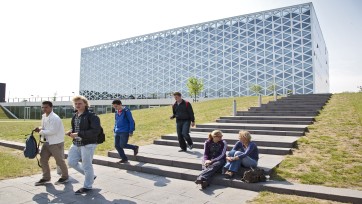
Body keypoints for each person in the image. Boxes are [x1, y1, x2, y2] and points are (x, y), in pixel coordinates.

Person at [66, 96, 101, 195]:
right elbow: (76, 128)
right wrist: (71, 132)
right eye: (76, 104)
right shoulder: (75, 115)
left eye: (80, 103)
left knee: (86, 165)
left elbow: (95, 131)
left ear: (85, 104)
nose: (77, 105)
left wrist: (78, 134)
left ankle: (87, 186)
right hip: (76, 143)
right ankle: (91, 176)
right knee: (71, 162)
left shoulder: (92, 116)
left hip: (88, 144)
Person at [33, 101, 69, 186]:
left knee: (59, 161)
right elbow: (46, 127)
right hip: (47, 142)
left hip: (56, 143)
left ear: (51, 107)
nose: (44, 109)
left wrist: (41, 131)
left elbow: (53, 131)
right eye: (43, 107)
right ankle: (46, 178)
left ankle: (65, 177)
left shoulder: (55, 118)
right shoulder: (44, 116)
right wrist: (39, 128)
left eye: (46, 107)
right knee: (43, 159)